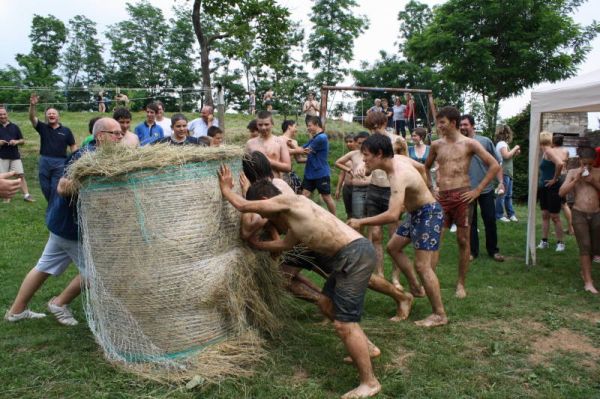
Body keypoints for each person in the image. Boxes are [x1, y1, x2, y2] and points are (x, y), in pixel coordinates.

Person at [218, 166, 383, 399]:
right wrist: (260, 245)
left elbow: (244, 206)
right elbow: (285, 245)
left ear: (266, 201)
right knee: (326, 304)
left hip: (353, 255)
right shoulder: (296, 215)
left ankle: (370, 382)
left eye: (265, 213)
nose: (266, 219)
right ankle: (367, 347)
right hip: (348, 255)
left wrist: (226, 189)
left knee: (344, 324)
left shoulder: (288, 201)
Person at [5, 118, 124, 325]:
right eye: (115, 133)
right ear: (100, 136)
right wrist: (92, 189)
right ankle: (59, 303)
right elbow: (62, 187)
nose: (119, 137)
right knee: (98, 271)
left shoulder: (101, 156)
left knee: (43, 267)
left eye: (121, 133)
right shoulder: (86, 158)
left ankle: (16, 312)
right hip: (71, 228)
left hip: (60, 225)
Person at [348, 134, 448, 328]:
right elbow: (420, 168)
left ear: (379, 154)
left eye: (366, 155)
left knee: (423, 266)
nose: (364, 159)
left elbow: (392, 215)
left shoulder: (397, 176)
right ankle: (416, 288)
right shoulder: (397, 158)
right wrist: (424, 189)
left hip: (429, 214)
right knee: (393, 248)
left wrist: (361, 221)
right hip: (417, 212)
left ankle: (439, 314)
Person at [424, 106, 500, 298]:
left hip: (463, 197)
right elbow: (425, 167)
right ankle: (430, 283)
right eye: (438, 122)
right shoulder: (436, 145)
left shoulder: (470, 144)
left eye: (442, 122)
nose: (439, 126)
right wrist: (432, 188)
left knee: (463, 240)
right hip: (442, 198)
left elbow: (494, 165)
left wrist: (478, 190)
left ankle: (460, 284)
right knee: (435, 240)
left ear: (453, 123)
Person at [460, 114, 505, 262]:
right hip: (466, 190)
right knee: (470, 222)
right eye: (461, 125)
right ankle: (473, 251)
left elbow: (497, 163)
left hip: (485, 188)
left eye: (465, 124)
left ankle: (493, 251)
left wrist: (501, 182)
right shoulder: (459, 143)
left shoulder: (485, 141)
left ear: (473, 126)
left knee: (490, 220)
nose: (462, 127)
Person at [361, 111, 401, 277]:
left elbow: (403, 166)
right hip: (374, 189)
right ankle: (380, 273)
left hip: (392, 190)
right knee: (376, 235)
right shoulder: (369, 142)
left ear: (384, 123)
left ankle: (396, 275)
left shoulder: (398, 141)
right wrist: (362, 168)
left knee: (394, 237)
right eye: (370, 128)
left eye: (375, 127)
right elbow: (367, 168)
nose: (373, 131)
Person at [559, 146, 600, 294]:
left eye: (590, 164)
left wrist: (593, 182)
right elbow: (561, 192)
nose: (587, 167)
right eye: (584, 164)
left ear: (594, 161)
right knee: (585, 245)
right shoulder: (572, 172)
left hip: (596, 213)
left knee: (596, 248)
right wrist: (576, 180)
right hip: (579, 213)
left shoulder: (598, 172)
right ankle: (588, 282)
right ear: (579, 161)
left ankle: (586, 271)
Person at [29, 94, 78, 203]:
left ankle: (55, 207)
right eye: (49, 113)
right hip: (44, 161)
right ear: (46, 116)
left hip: (60, 162)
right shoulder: (42, 127)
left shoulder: (66, 131)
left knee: (56, 187)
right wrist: (32, 105)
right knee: (45, 187)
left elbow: (73, 145)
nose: (51, 115)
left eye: (53, 113)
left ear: (58, 116)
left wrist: (76, 159)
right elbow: (32, 118)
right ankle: (52, 204)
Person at [537, 131, 566, 251]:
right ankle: (544, 241)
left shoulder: (549, 151)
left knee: (554, 216)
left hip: (553, 187)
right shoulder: (544, 152)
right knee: (545, 215)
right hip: (544, 187)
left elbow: (560, 164)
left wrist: (555, 179)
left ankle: (561, 243)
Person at [302, 115, 336, 214]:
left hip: (320, 173)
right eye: (307, 126)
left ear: (317, 124)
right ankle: (306, 216)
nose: (308, 128)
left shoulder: (321, 137)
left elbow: (305, 150)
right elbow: (302, 148)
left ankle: (334, 218)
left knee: (326, 197)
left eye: (309, 126)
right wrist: (293, 147)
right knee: (304, 195)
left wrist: (290, 149)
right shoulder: (314, 138)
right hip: (310, 173)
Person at [0, 106, 34, 202]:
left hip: (15, 156)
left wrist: (16, 142)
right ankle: (6, 198)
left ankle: (26, 195)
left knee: (20, 175)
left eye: (4, 114)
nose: (2, 116)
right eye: (0, 114)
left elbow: (22, 141)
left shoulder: (15, 127)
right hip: (1, 157)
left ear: (7, 114)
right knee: (3, 178)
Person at [335, 132, 371, 224]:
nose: (362, 145)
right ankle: (356, 234)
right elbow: (338, 163)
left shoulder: (373, 154)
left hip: (371, 187)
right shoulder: (353, 154)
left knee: (370, 216)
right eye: (359, 143)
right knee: (356, 216)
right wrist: (348, 170)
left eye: (365, 142)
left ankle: (368, 237)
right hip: (355, 188)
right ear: (357, 143)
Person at [245, 111, 291, 179]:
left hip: (275, 184)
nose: (263, 128)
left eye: (266, 124)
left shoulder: (280, 142)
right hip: (256, 184)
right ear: (257, 125)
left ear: (272, 124)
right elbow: (246, 168)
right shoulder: (250, 144)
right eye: (260, 125)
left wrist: (268, 162)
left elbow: (288, 167)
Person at [494, 125, 520, 222]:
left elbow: (508, 156)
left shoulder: (503, 144)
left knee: (508, 195)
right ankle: (499, 215)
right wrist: (515, 148)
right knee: (502, 194)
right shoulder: (502, 144)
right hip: (503, 172)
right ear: (507, 134)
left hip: (508, 173)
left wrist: (514, 152)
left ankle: (511, 214)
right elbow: (506, 156)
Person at [552, 134, 574, 235]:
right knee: (563, 204)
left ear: (553, 141)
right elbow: (567, 163)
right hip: (564, 177)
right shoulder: (566, 151)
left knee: (560, 204)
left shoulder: (552, 151)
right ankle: (570, 228)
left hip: (556, 178)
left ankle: (568, 229)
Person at [335, 134, 356, 219]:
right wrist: (338, 189)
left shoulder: (362, 155)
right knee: (349, 212)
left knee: (358, 213)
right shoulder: (346, 157)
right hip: (347, 187)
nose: (348, 144)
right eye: (347, 142)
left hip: (357, 187)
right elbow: (342, 174)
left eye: (351, 141)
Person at [280, 119, 304, 193]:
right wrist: (296, 150)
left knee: (299, 192)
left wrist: (313, 158)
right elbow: (281, 153)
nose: (296, 129)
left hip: (290, 172)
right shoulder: (279, 139)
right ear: (289, 127)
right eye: (295, 126)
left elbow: (299, 159)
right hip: (280, 173)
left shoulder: (295, 142)